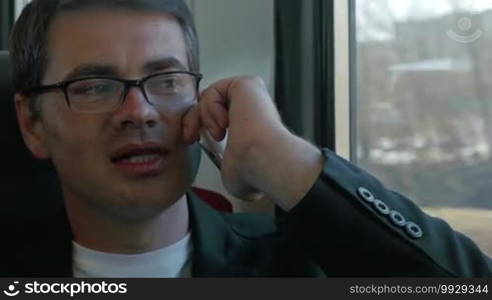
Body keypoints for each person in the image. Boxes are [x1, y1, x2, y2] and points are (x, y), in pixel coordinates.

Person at [2, 0, 491, 277]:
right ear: (32, 123)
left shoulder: (299, 265)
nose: (140, 112)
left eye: (167, 80)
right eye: (94, 87)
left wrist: (284, 162)